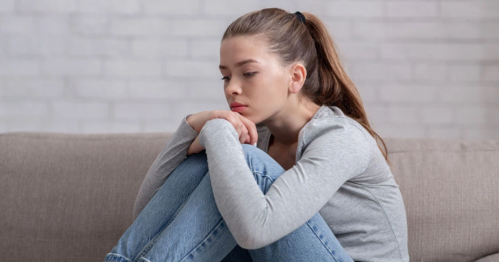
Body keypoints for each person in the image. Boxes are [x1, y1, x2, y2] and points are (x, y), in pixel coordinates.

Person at [104, 8, 409, 262]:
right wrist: (194, 125)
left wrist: (217, 130)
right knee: (218, 159)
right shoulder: (257, 134)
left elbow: (257, 231)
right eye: (226, 76)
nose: (231, 88)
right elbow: (149, 213)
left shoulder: (341, 139)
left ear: (295, 77)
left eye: (248, 73)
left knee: (243, 159)